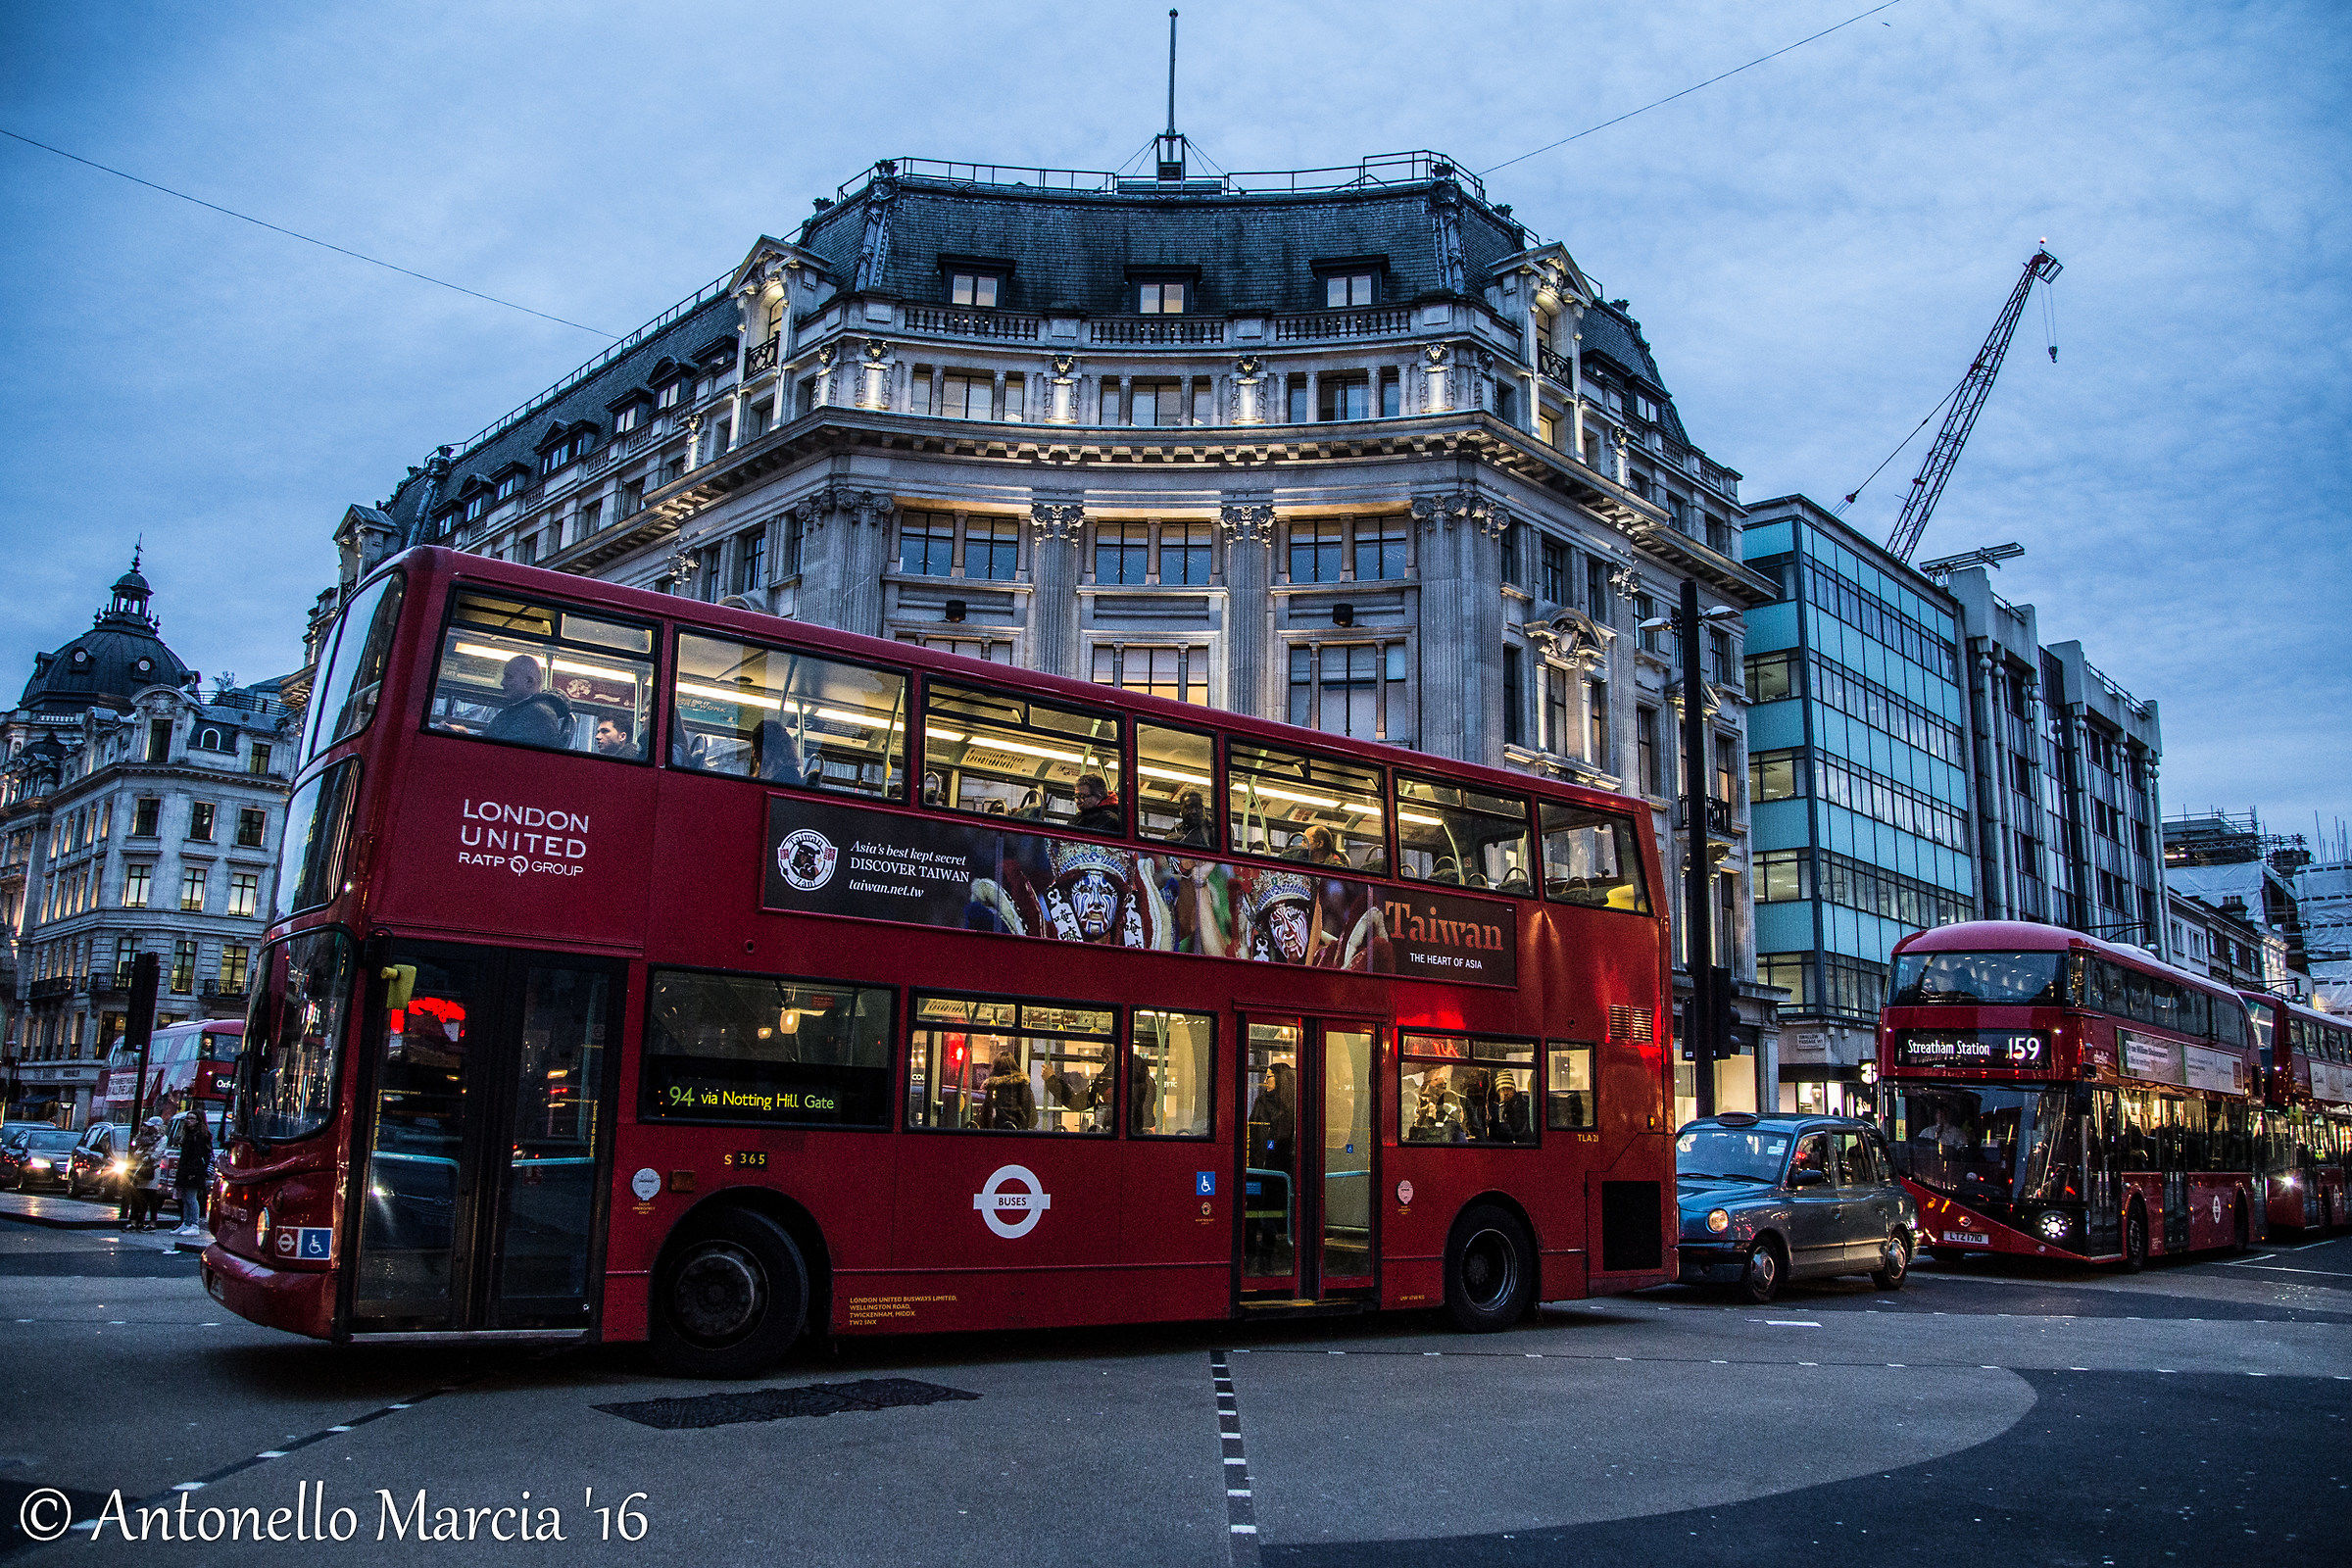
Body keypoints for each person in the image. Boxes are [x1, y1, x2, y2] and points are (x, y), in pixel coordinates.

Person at [484, 655, 572, 748]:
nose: (502, 682)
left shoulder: (536, 715)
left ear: (529, 682)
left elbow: (506, 751)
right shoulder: (528, 710)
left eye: (509, 677)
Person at [172, 1105, 214, 1235]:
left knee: (191, 1197)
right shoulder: (189, 1135)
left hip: (194, 1171)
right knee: (185, 1198)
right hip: (186, 1170)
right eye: (187, 1118)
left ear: (198, 1121)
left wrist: (193, 1171)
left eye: (192, 1118)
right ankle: (186, 1222)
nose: (188, 1121)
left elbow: (199, 1156)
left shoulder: (199, 1136)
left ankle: (194, 1224)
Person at [976, 1051, 1035, 1131]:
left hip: (998, 1134)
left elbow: (986, 1116)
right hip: (1020, 1135)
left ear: (995, 1067)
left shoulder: (993, 1087)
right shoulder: (1024, 1086)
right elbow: (1033, 1118)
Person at [124, 1118, 166, 1231]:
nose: (148, 1128)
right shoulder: (142, 1137)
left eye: (151, 1126)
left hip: (152, 1169)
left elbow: (157, 1154)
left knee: (151, 1195)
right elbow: (136, 1152)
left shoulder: (161, 1138)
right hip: (139, 1168)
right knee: (137, 1195)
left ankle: (152, 1221)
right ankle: (136, 1220)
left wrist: (145, 1156)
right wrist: (143, 1155)